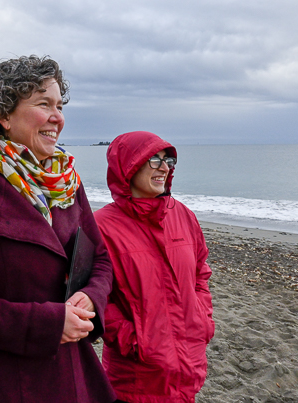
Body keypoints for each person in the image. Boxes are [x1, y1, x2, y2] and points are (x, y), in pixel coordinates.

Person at [0, 55, 116, 402]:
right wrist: (48, 323)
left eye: (59, 105)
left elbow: (102, 260)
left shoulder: (68, 184)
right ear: (3, 115)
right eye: (43, 104)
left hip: (72, 372)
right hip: (3, 380)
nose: (57, 117)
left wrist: (91, 298)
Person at [94, 131, 215, 403]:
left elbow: (200, 274)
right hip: (135, 379)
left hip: (187, 368)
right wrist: (133, 340)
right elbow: (94, 297)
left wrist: (202, 318)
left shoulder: (183, 215)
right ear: (128, 166)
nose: (164, 167)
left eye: (168, 160)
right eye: (153, 160)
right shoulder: (101, 226)